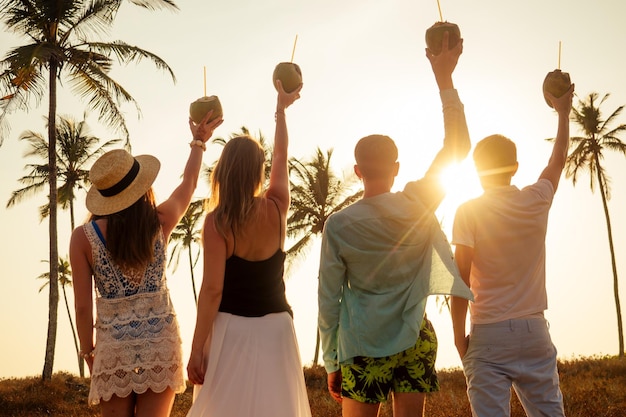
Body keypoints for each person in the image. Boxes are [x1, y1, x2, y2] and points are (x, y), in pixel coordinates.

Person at [317, 33, 474, 417]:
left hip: (361, 344)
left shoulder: (338, 224)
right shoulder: (418, 203)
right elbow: (458, 147)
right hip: (413, 338)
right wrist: (445, 81)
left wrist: (331, 361)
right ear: (397, 170)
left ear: (357, 172)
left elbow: (329, 299)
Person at [70, 110, 223, 417]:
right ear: (141, 186)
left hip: (113, 346)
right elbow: (189, 185)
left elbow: (84, 307)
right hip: (160, 342)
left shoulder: (83, 238)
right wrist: (197, 142)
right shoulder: (159, 221)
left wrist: (88, 352)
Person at [185, 80, 310, 417]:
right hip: (277, 331)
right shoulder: (276, 207)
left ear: (223, 172)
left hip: (231, 330)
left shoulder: (217, 222)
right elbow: (282, 156)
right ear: (259, 171)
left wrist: (197, 349)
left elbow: (212, 291)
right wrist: (281, 111)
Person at [450, 82, 574, 417]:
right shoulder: (536, 199)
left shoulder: (468, 212)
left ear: (476, 170)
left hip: (488, 332)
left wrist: (459, 337)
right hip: (534, 331)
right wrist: (563, 113)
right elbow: (558, 159)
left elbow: (460, 279)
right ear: (515, 167)